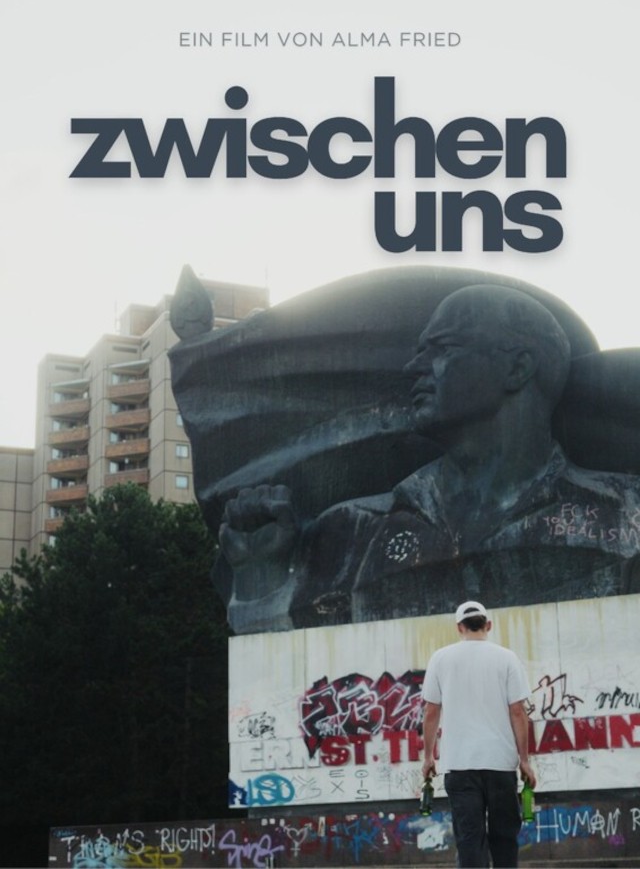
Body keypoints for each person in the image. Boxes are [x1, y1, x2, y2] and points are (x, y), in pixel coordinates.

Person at [218, 286, 640, 633]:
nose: (413, 368)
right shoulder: (349, 533)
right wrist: (262, 581)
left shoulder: (627, 515)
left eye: (442, 349)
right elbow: (289, 681)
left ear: (518, 368)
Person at [422, 600, 536, 868]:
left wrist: (428, 757)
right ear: (488, 625)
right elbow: (518, 712)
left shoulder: (440, 658)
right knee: (504, 838)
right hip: (500, 763)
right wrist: (524, 760)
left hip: (459, 764)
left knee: (469, 840)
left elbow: (431, 711)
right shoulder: (507, 658)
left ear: (459, 627)